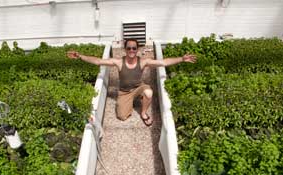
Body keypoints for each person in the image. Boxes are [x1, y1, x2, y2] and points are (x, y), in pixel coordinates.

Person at [67, 39, 196, 126]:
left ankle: (144, 112)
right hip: (124, 92)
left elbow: (163, 62)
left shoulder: (143, 61)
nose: (131, 50)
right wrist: (80, 56)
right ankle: (132, 100)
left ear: (137, 49)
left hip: (139, 87)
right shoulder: (118, 62)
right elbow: (98, 61)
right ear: (125, 49)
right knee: (122, 117)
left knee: (149, 92)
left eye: (134, 48)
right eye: (129, 48)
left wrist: (182, 59)